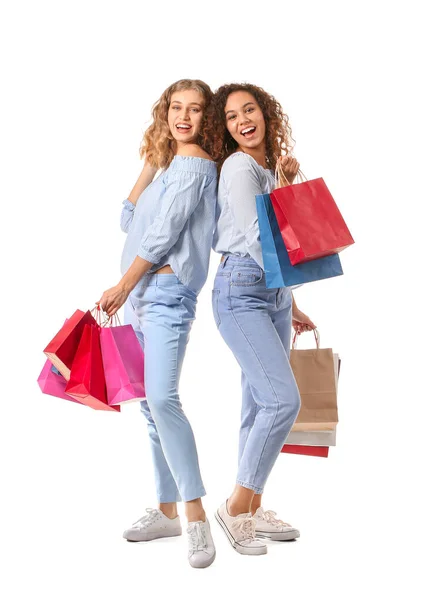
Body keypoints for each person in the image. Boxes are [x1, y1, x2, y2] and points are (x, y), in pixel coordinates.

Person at [99, 79, 217, 569]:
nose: (183, 117)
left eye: (194, 110)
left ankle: (195, 517)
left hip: (164, 293)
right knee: (149, 403)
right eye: (175, 108)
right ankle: (167, 510)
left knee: (163, 397)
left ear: (206, 119)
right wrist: (153, 157)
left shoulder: (194, 165)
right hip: (142, 296)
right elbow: (130, 218)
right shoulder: (171, 162)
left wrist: (123, 286)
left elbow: (162, 233)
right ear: (164, 112)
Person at [205, 83, 316, 556]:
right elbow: (257, 238)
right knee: (281, 402)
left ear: (265, 114)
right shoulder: (237, 167)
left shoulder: (266, 169)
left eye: (248, 110)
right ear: (226, 129)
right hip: (242, 290)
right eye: (231, 117)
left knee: (257, 406)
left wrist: (289, 301)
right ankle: (235, 506)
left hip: (270, 294)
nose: (241, 121)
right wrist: (281, 288)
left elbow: (280, 229)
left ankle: (252, 509)